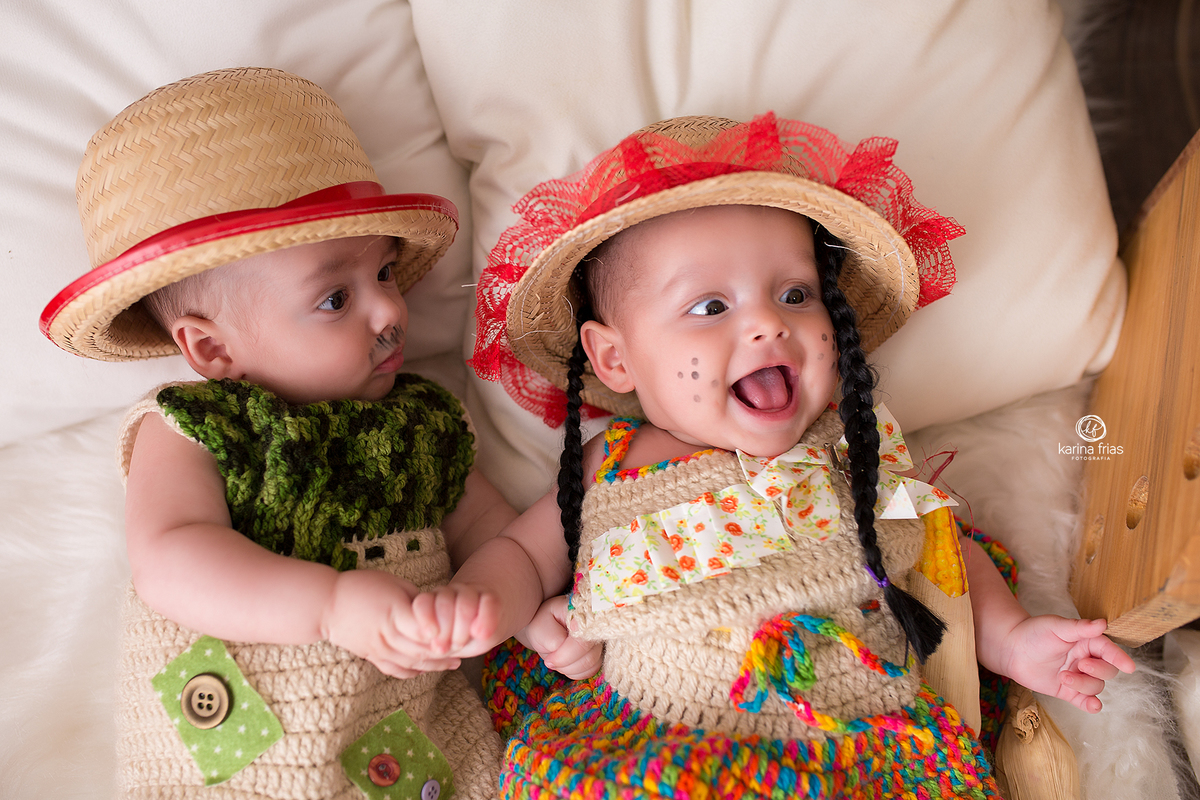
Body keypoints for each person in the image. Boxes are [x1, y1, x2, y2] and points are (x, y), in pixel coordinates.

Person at [403, 113, 1137, 798]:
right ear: (614, 357)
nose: (766, 325)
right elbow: (525, 558)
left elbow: (944, 549)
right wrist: (484, 603)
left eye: (794, 294)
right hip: (661, 740)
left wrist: (1015, 641)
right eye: (710, 307)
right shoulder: (609, 464)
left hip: (857, 745)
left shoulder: (853, 457)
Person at [40, 66, 594, 800]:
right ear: (211, 350)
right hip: (236, 734)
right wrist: (329, 605)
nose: (390, 311)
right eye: (336, 297)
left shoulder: (423, 423)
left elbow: (496, 536)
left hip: (396, 741)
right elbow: (170, 561)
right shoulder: (193, 428)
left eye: (387, 272)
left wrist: (513, 609)